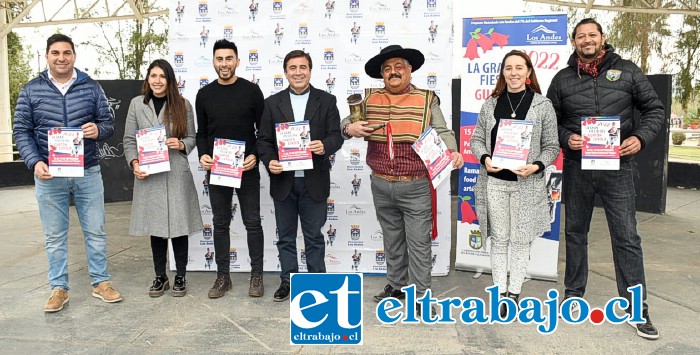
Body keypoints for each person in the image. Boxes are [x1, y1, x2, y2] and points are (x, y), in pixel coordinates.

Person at [546, 18, 664, 340]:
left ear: (602, 38)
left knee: (626, 237)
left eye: (592, 35)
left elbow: (655, 109)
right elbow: (548, 121)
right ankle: (573, 294)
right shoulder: (562, 79)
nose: (587, 40)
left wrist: (640, 138)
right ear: (574, 42)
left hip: (619, 168)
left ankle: (636, 308)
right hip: (577, 167)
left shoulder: (627, 71)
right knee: (575, 233)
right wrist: (565, 137)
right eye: (581, 36)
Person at [341, 45, 464, 315]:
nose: (393, 72)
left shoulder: (426, 99)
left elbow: (442, 129)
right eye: (387, 69)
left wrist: (453, 150)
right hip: (381, 183)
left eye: (398, 67)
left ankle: (421, 296)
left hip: (415, 184)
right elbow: (345, 123)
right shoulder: (369, 100)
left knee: (419, 244)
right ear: (382, 75)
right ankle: (397, 287)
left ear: (409, 70)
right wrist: (349, 128)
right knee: (392, 239)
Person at [13, 34, 122, 312]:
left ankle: (101, 283)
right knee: (54, 235)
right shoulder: (31, 90)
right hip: (49, 175)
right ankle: (59, 288)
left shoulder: (91, 87)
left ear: (74, 55)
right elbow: (21, 131)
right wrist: (34, 161)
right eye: (55, 53)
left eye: (67, 52)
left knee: (95, 231)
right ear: (47, 56)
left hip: (87, 171)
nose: (61, 58)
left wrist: (99, 131)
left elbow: (107, 122)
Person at [470, 50, 560, 317]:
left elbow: (552, 145)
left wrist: (537, 166)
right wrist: (485, 158)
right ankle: (499, 291)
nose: (513, 73)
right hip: (495, 182)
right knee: (499, 239)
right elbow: (476, 140)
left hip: (526, 184)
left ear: (529, 72)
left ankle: (514, 292)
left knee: (520, 241)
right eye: (508, 68)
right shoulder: (490, 104)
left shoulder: (543, 105)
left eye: (519, 67)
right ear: (503, 73)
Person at [257, 50, 343, 302]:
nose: (298, 72)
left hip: (313, 180)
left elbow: (336, 135)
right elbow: (263, 140)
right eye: (292, 68)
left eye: (302, 67)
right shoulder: (272, 103)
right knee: (285, 237)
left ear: (310, 70)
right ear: (285, 72)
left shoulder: (326, 100)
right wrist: (269, 159)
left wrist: (324, 145)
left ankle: (317, 282)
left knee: (314, 236)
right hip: (284, 181)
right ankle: (289, 281)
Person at [123, 59, 202, 298]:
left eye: (162, 76)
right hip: (149, 173)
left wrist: (180, 143)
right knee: (155, 228)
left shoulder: (183, 105)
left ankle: (180, 276)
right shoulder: (137, 104)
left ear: (170, 80)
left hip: (176, 172)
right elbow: (128, 140)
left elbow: (191, 138)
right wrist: (134, 163)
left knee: (179, 227)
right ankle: (160, 277)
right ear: (147, 79)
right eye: (153, 76)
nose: (157, 81)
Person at [196, 39, 266, 298]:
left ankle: (256, 275)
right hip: (218, 169)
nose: (224, 64)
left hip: (247, 168)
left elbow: (264, 131)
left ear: (237, 61)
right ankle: (223, 276)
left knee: (252, 222)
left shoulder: (252, 91)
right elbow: (202, 133)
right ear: (213, 62)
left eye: (228, 59)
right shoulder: (204, 95)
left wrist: (255, 155)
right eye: (219, 59)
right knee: (220, 223)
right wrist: (203, 154)